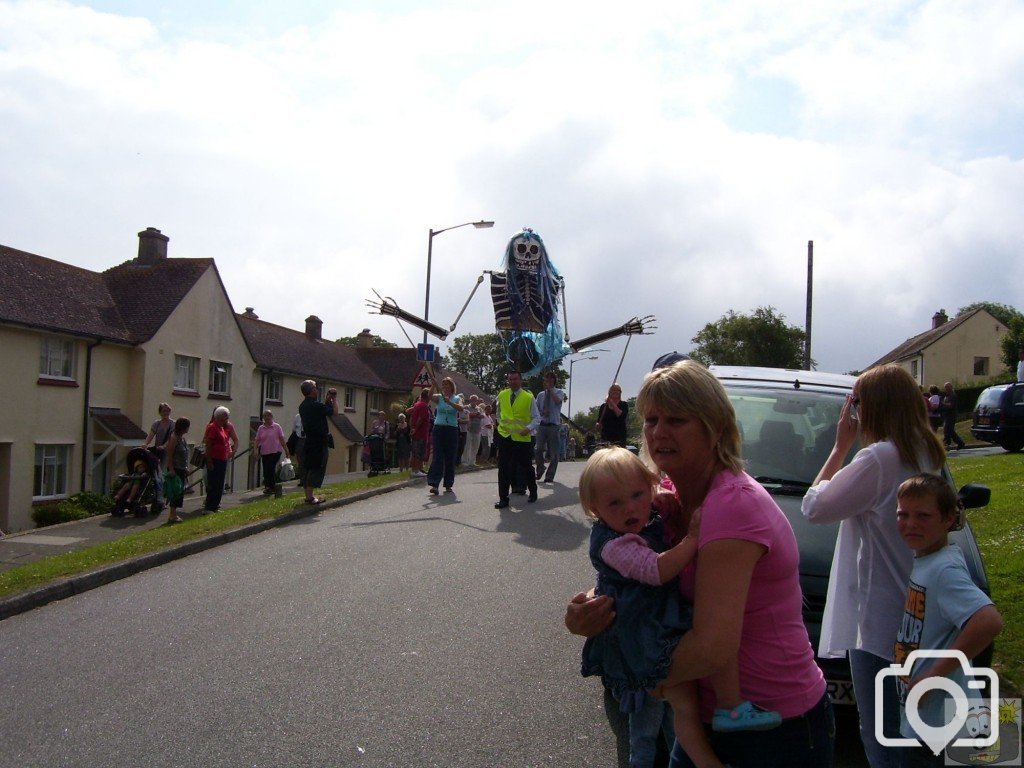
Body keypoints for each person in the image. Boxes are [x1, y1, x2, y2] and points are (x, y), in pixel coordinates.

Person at [567, 360, 833, 768]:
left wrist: (624, 668)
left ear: (714, 426)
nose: (658, 432)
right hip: (711, 712)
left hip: (775, 725)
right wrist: (590, 610)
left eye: (676, 419)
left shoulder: (731, 505)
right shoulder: (666, 497)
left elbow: (711, 649)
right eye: (652, 419)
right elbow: (637, 573)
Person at [579, 447, 780, 768]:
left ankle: (728, 710)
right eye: (614, 503)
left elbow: (652, 510)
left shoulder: (641, 517)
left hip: (659, 623)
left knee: (686, 697)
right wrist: (693, 538)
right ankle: (712, 741)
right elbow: (657, 571)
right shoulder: (615, 544)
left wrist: (662, 504)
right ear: (594, 508)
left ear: (650, 486)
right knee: (672, 711)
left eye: (637, 495)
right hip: (644, 636)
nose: (631, 508)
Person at [801, 363, 945, 768]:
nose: (855, 413)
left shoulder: (880, 457)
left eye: (858, 403)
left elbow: (814, 507)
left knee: (882, 738)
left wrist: (838, 447)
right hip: (920, 611)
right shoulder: (926, 449)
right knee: (916, 734)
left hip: (881, 623)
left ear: (875, 406)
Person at [893, 474, 1003, 767]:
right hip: (928, 720)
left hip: (943, 726)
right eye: (903, 514)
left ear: (948, 519)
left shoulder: (944, 569)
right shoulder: (929, 560)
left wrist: (934, 675)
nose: (911, 523)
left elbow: (989, 621)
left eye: (923, 515)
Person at [494, 370, 540, 509]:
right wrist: (500, 423)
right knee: (503, 468)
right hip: (505, 436)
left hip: (522, 437)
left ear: (520, 381)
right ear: (508, 381)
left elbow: (537, 417)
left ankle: (533, 491)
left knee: (526, 466)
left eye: (515, 379)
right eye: (510, 379)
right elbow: (498, 412)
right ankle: (503, 498)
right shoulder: (502, 395)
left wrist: (529, 428)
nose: (513, 381)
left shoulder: (528, 397)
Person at [298, 380, 339, 505]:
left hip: (309, 440)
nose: (317, 389)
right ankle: (310, 498)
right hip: (319, 442)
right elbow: (335, 412)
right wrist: (334, 399)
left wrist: (327, 401)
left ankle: (308, 495)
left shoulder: (303, 406)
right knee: (317, 467)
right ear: (311, 390)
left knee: (308, 466)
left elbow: (322, 410)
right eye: (316, 387)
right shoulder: (316, 405)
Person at [426, 376, 463, 495]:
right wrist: (433, 385)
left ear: (452, 387)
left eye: (447, 385)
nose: (445, 387)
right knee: (438, 456)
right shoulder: (439, 397)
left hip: (451, 429)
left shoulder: (457, 398)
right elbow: (429, 396)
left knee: (450, 457)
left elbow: (461, 408)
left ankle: (448, 484)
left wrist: (450, 402)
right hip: (439, 428)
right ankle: (434, 484)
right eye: (443, 385)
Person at [534, 371, 566, 483]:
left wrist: (550, 390)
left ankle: (550, 475)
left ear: (554, 381)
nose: (548, 381)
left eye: (551, 379)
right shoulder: (540, 395)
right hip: (542, 425)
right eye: (546, 379)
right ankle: (540, 468)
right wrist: (543, 411)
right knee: (538, 450)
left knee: (554, 453)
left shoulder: (559, 392)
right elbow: (536, 410)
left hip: (554, 425)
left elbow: (558, 401)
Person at [202, 406, 234, 513]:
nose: (227, 419)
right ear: (219, 417)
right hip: (215, 459)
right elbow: (209, 445)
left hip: (222, 458)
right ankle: (209, 507)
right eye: (226, 417)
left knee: (220, 483)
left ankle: (215, 505)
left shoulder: (222, 427)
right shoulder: (212, 427)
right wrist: (209, 461)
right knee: (213, 483)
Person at [144, 403, 174, 507]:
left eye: (167, 411)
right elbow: (151, 435)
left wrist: (164, 446)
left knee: (162, 474)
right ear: (160, 412)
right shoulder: (156, 424)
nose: (165, 413)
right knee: (155, 474)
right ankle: (156, 496)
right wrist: (145, 444)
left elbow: (171, 438)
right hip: (157, 451)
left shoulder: (172, 424)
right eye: (163, 411)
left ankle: (161, 498)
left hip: (167, 452)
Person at [254, 409, 290, 494]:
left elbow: (281, 439)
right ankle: (268, 487)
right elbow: (257, 440)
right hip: (265, 452)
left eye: (268, 416)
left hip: (275, 451)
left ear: (271, 417)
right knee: (266, 469)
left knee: (271, 468)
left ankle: (272, 487)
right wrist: (255, 449)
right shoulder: (261, 428)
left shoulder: (277, 427)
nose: (267, 418)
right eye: (265, 416)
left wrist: (286, 450)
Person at [163, 417, 191, 523]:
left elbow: (184, 454)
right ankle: (172, 515)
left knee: (180, 492)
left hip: (181, 468)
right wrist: (171, 469)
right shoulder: (174, 438)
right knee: (175, 491)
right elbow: (169, 455)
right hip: (175, 468)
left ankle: (174, 514)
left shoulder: (182, 438)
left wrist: (186, 468)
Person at [408, 388, 431, 478]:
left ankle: (414, 470)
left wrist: (412, 428)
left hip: (416, 433)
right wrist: (416, 428)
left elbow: (412, 417)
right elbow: (421, 418)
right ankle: (416, 470)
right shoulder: (424, 406)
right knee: (419, 452)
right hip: (421, 433)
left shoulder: (417, 404)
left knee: (415, 452)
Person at [940, 382, 966, 451]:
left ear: (951, 387)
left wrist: (943, 404)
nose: (946, 389)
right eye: (945, 388)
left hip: (951, 416)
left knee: (947, 430)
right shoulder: (947, 396)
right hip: (947, 415)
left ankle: (946, 444)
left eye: (947, 387)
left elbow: (951, 405)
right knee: (950, 431)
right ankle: (960, 443)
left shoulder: (953, 396)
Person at [461, 394, 484, 467]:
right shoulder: (466, 407)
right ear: (470, 400)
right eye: (472, 399)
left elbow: (482, 415)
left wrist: (474, 415)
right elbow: (467, 415)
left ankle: (472, 462)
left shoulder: (479, 408)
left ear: (477, 401)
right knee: (467, 446)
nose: (474, 401)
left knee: (475, 446)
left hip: (477, 429)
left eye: (475, 400)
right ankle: (465, 462)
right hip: (468, 429)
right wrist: (476, 415)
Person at [287, 412, 305, 478]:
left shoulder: (311, 415)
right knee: (300, 460)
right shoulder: (297, 416)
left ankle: (307, 479)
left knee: (307, 460)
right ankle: (302, 479)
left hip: (308, 440)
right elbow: (294, 430)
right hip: (299, 439)